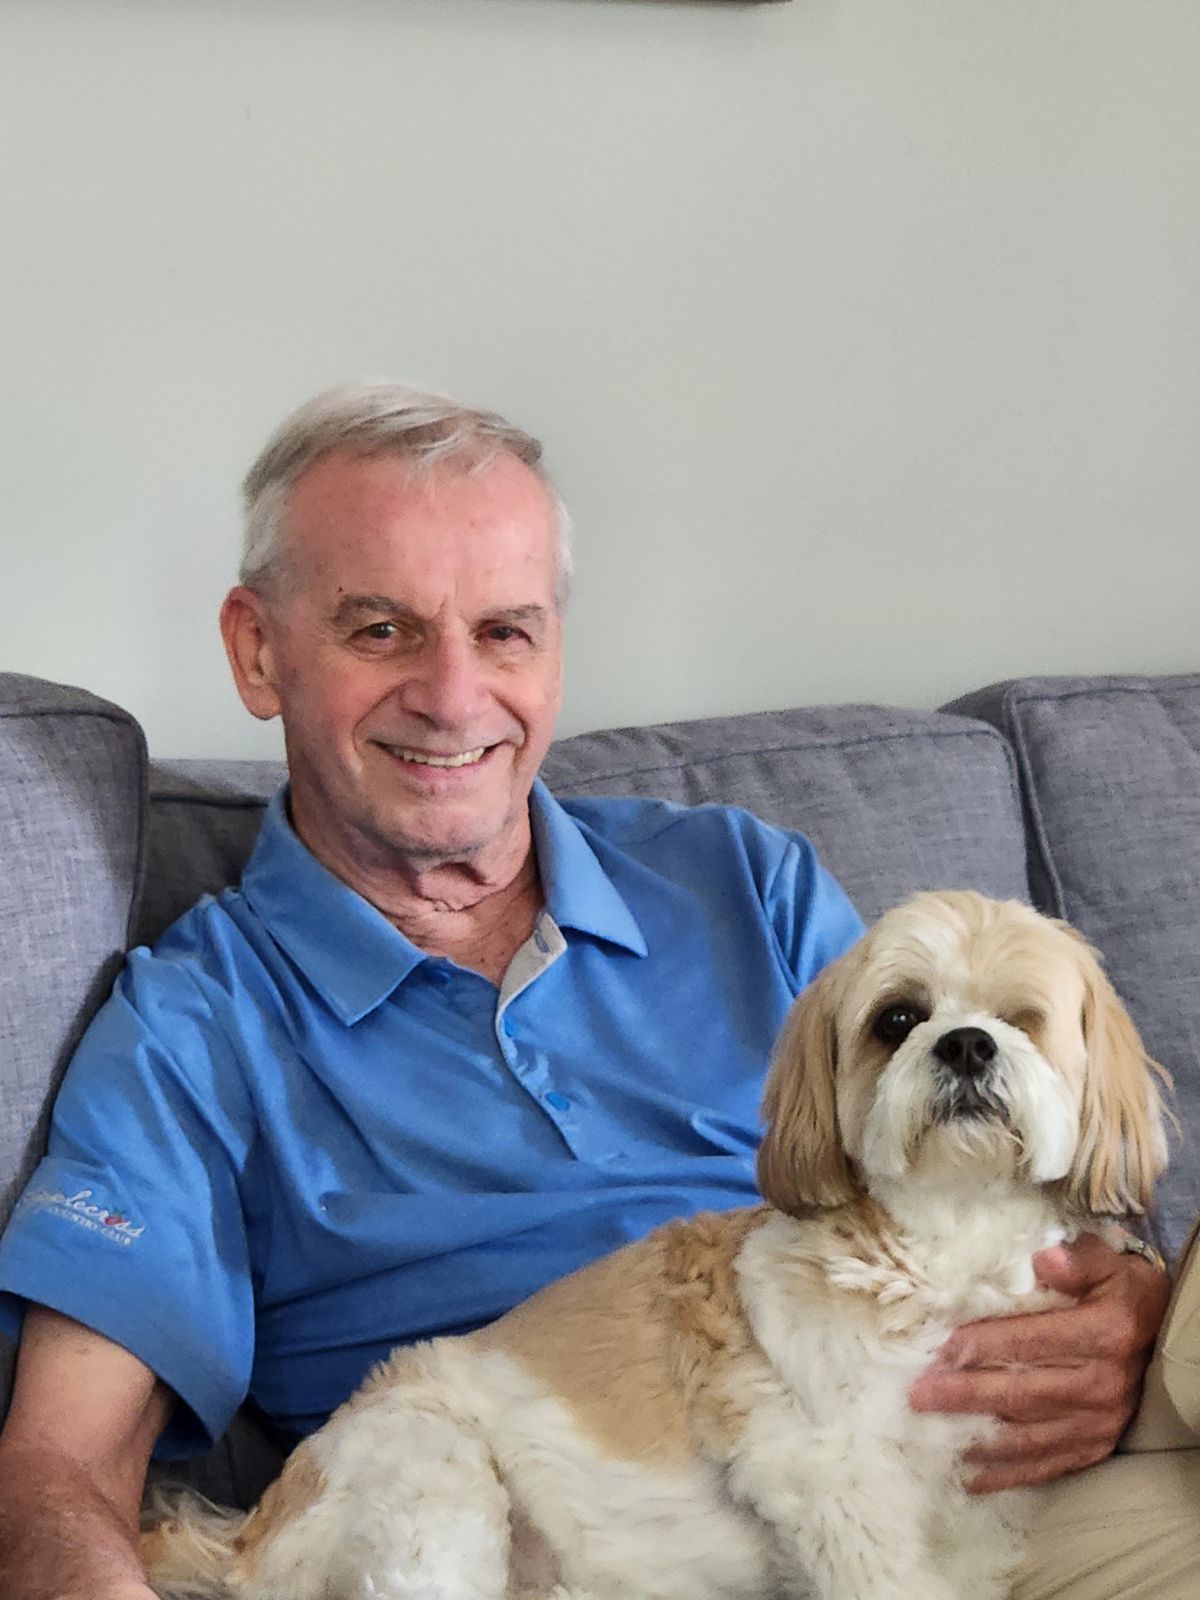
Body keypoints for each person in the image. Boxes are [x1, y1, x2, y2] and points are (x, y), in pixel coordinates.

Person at [0, 384, 1191, 1600]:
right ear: (259, 649)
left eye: (506, 631)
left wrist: (1130, 1312)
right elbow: (59, 1464)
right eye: (381, 630)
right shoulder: (194, 1024)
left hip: (961, 1490)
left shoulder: (744, 879)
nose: (454, 696)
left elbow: (1027, 1166)